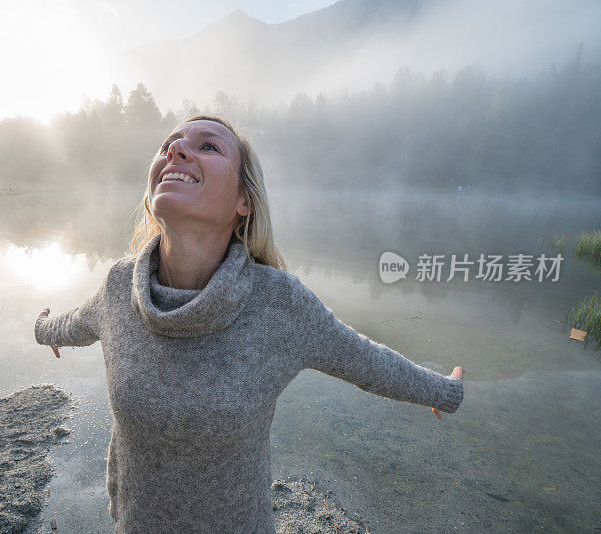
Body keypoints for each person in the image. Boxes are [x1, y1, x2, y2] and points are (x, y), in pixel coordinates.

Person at [35, 115, 465, 533]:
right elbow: (73, 324)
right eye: (169, 145)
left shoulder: (279, 305)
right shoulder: (117, 290)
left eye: (208, 146)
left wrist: (443, 391)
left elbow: (366, 361)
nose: (176, 151)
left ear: (245, 202)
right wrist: (44, 328)